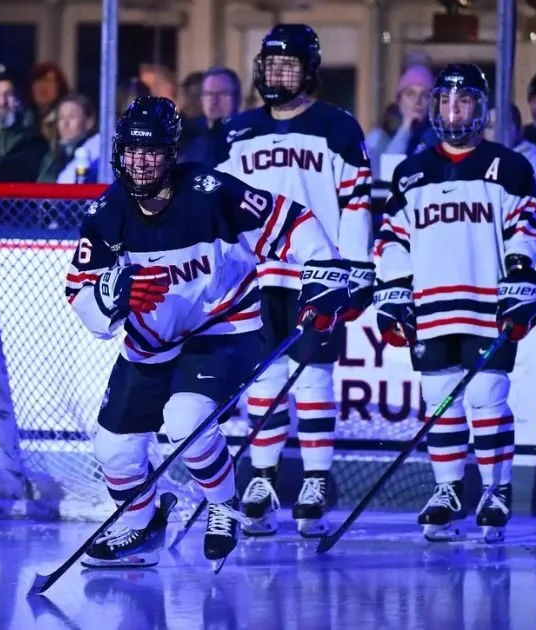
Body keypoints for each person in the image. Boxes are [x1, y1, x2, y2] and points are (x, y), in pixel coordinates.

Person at [66, 96, 351, 569]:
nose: (139, 163)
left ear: (171, 152)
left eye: (151, 152)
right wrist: (107, 301)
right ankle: (141, 526)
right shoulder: (106, 213)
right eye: (131, 152)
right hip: (150, 343)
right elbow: (79, 293)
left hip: (224, 329)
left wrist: (322, 271)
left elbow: (291, 218)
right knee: (113, 449)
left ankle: (222, 505)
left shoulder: (210, 191)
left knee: (185, 423)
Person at [214, 23, 374, 538]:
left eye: (289, 64)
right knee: (262, 380)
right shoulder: (237, 131)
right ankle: (261, 479)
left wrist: (357, 269)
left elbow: (356, 203)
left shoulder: (338, 127)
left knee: (312, 378)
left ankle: (315, 480)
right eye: (271, 63)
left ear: (310, 70)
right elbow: (218, 206)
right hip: (256, 275)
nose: (278, 72)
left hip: (316, 275)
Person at [373, 63, 536, 544]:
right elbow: (392, 241)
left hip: (486, 304)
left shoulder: (508, 166)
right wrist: (392, 292)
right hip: (432, 306)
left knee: (488, 398)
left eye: (464, 101)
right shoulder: (411, 172)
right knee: (440, 402)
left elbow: (526, 228)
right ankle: (447, 489)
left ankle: (496, 489)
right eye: (446, 101)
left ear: (482, 108)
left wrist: (520, 278)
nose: (454, 110)